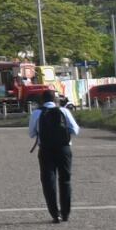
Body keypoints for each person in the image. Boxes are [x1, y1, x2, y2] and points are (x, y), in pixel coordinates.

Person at [30, 92, 80, 223]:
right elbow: (75, 129)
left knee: (48, 181)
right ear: (56, 99)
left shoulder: (37, 113)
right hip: (64, 148)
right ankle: (65, 213)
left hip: (45, 149)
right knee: (65, 180)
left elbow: (31, 133)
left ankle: (54, 214)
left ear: (42, 100)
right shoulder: (64, 111)